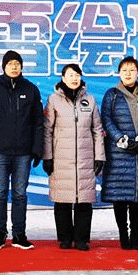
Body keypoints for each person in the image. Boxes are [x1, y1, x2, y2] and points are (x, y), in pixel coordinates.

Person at [0, 50, 44, 250]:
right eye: (10, 64)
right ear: (3, 66)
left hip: (23, 153)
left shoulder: (31, 89)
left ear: (21, 66)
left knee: (20, 194)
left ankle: (19, 234)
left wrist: (37, 149)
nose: (14, 67)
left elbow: (38, 123)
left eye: (17, 63)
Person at [43, 63, 106, 251]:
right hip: (61, 158)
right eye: (70, 75)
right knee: (62, 200)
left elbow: (97, 130)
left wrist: (99, 156)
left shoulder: (90, 100)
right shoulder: (54, 100)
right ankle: (64, 238)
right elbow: (47, 130)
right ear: (63, 78)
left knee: (84, 201)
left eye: (77, 75)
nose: (74, 78)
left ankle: (81, 239)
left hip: (85, 158)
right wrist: (48, 156)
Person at [100, 57, 138, 250]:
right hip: (118, 152)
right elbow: (106, 119)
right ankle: (123, 236)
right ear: (119, 73)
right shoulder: (112, 95)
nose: (128, 73)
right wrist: (120, 138)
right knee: (120, 197)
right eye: (124, 70)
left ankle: (135, 236)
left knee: (137, 198)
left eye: (132, 70)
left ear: (137, 73)